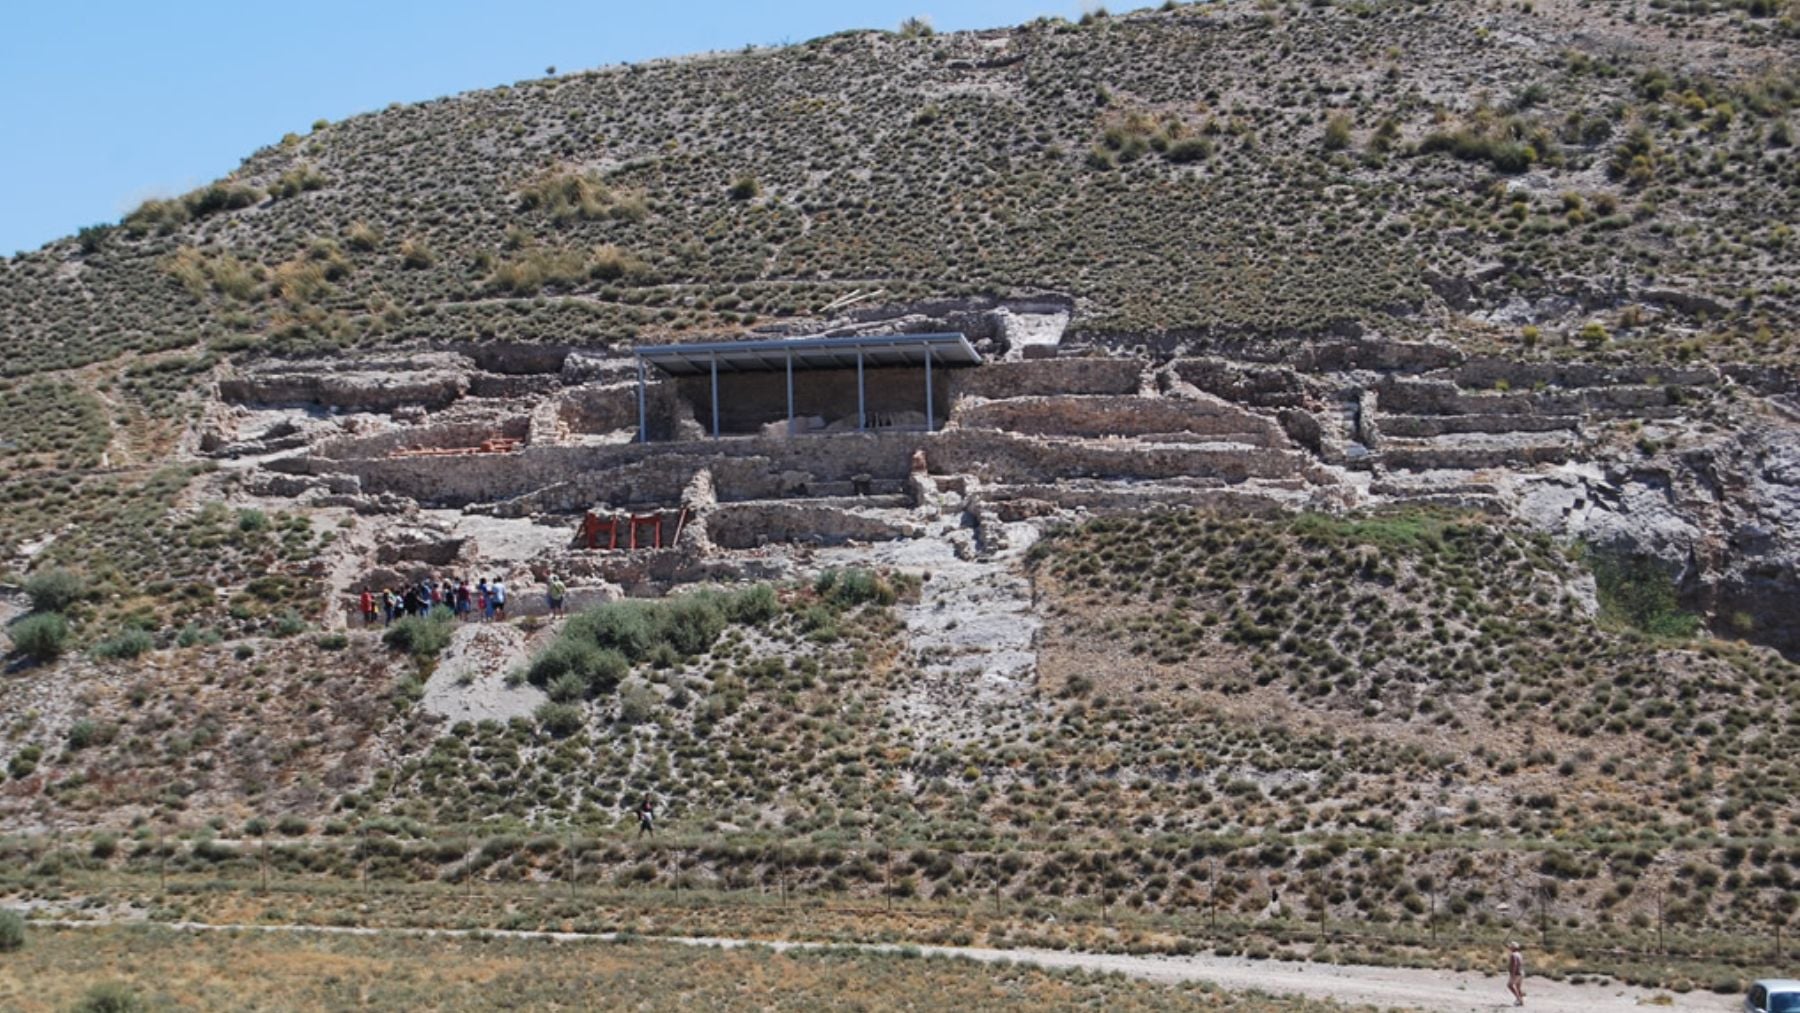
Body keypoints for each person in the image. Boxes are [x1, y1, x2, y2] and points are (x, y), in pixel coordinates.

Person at [1507, 941, 1525, 1006]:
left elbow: (1515, 964)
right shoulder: (1519, 954)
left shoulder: (1513, 955)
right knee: (1518, 987)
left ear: (1512, 948)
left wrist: (1513, 974)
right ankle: (1521, 1001)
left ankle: (1518, 999)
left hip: (1516, 973)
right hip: (1521, 973)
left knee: (1509, 985)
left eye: (1510, 947)